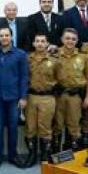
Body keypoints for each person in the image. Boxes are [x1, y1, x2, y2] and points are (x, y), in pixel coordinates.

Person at [0, 28, 29, 169]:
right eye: (1, 35)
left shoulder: (20, 54)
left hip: (14, 97)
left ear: (11, 37)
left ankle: (13, 155)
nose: (4, 38)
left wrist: (23, 97)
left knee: (13, 127)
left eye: (7, 35)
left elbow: (24, 77)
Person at [54, 29, 88, 151]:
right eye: (67, 38)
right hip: (58, 95)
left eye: (73, 39)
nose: (70, 41)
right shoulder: (54, 56)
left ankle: (74, 154)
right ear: (62, 39)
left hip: (75, 96)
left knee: (74, 125)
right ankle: (56, 153)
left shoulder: (83, 57)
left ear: (77, 41)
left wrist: (87, 97)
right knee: (57, 124)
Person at [25, 34, 61, 164]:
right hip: (31, 97)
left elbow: (60, 78)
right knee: (30, 127)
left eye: (43, 41)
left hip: (47, 97)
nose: (40, 44)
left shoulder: (55, 60)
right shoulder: (27, 59)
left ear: (47, 44)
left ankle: (44, 156)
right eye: (37, 41)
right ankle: (31, 156)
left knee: (45, 128)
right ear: (33, 44)